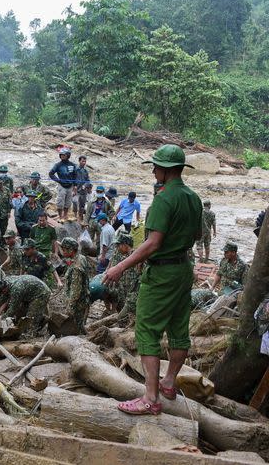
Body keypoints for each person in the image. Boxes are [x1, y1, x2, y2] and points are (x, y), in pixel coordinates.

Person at [104, 144, 203, 416]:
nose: (153, 170)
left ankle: (150, 398)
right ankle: (168, 382)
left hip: (161, 273)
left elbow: (153, 243)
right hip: (184, 268)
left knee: (147, 329)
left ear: (167, 170)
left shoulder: (164, 199)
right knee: (178, 328)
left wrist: (120, 267)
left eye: (156, 166)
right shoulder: (193, 198)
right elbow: (196, 236)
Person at [60, 237, 90, 333]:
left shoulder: (77, 266)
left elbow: (76, 290)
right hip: (82, 299)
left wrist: (70, 306)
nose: (63, 252)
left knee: (76, 329)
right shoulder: (81, 258)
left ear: (71, 250)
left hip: (77, 303)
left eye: (64, 249)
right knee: (79, 326)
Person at [106, 233, 140, 314]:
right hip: (122, 291)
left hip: (131, 293)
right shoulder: (121, 256)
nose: (117, 248)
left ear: (125, 245)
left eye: (119, 245)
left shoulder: (135, 257)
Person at [48, 148, 78, 221]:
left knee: (68, 202)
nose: (62, 156)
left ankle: (65, 215)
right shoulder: (58, 165)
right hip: (62, 186)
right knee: (60, 202)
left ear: (68, 155)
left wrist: (75, 186)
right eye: (61, 155)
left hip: (70, 186)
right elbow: (51, 173)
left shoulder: (72, 165)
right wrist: (58, 181)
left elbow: (75, 175)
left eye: (63, 155)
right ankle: (60, 216)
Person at [75, 156, 91, 220]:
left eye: (85, 161)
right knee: (75, 204)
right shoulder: (75, 170)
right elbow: (72, 178)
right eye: (82, 161)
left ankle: (80, 217)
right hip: (76, 191)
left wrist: (85, 185)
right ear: (79, 161)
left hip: (83, 191)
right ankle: (75, 217)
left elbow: (88, 180)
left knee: (82, 205)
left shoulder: (85, 171)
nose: (84, 163)